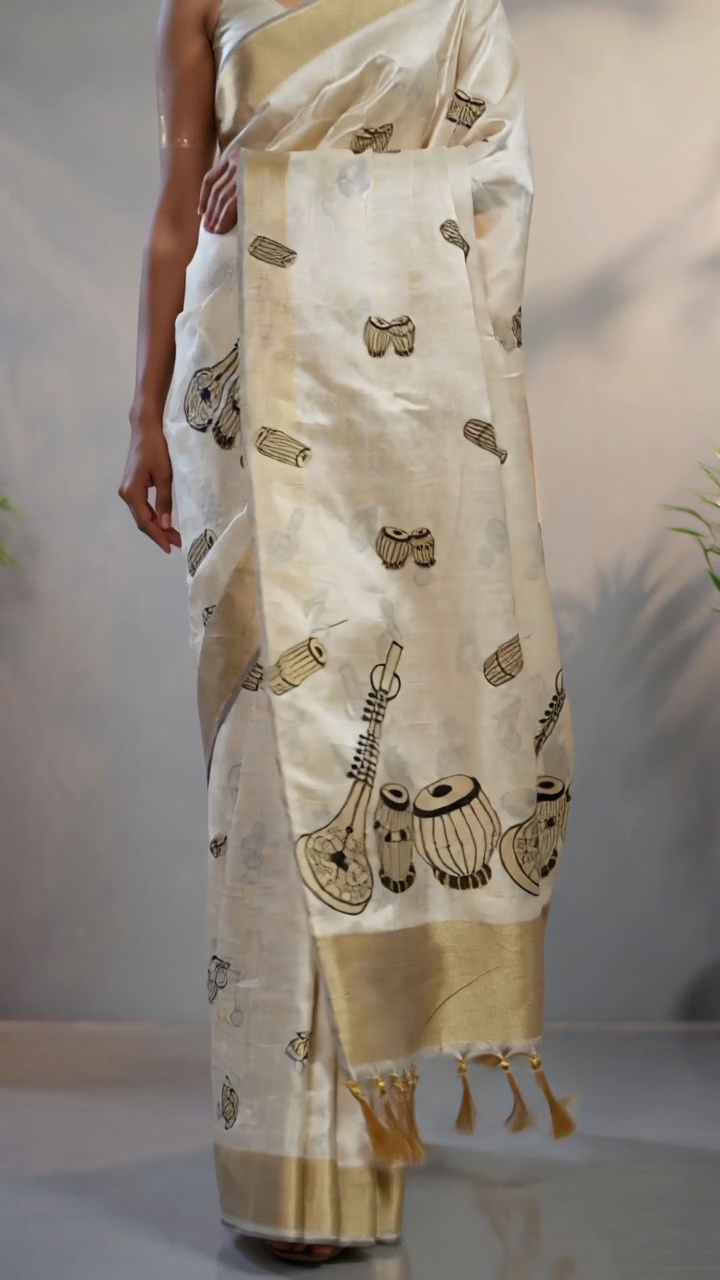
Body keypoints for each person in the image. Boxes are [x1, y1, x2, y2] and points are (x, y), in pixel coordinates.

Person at [120, 0, 575, 1265]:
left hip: (398, 405)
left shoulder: (458, 9)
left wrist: (297, 190)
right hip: (246, 373)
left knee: (374, 760)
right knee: (272, 769)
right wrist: (143, 410)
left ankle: (352, 1156)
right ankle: (285, 1168)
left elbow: (495, 194)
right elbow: (174, 215)